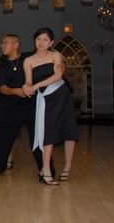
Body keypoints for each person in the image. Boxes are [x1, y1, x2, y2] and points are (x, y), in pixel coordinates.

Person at [0, 34, 50, 178]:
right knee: (4, 137)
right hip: (11, 106)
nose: (2, 45)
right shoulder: (2, 65)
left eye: (5, 43)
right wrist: (16, 91)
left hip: (32, 105)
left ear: (15, 45)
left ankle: (46, 170)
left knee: (37, 138)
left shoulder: (28, 58)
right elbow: (2, 88)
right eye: (2, 43)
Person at [22, 27, 79, 185]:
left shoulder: (56, 55)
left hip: (61, 94)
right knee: (48, 131)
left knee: (68, 129)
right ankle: (45, 169)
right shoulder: (28, 60)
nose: (41, 42)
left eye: (45, 39)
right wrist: (27, 86)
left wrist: (35, 86)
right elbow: (28, 81)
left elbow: (58, 75)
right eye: (38, 39)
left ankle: (67, 167)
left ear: (51, 42)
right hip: (45, 99)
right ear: (34, 41)